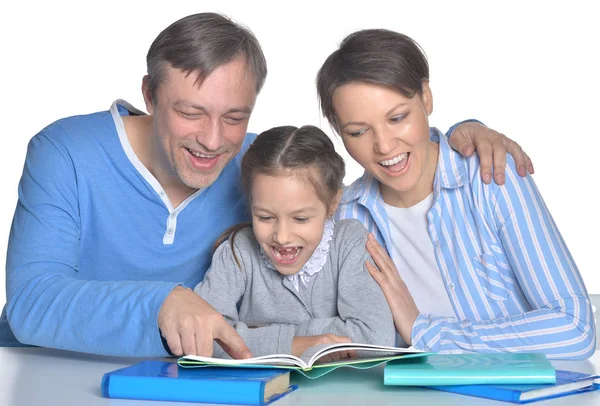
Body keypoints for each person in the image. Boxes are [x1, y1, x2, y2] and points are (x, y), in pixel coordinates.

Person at [1, 12, 532, 358]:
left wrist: (460, 134)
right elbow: (30, 302)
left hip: (208, 376)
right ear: (148, 93)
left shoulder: (255, 163)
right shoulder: (64, 151)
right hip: (49, 376)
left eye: (235, 116)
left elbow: (355, 149)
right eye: (190, 112)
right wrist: (163, 303)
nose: (213, 141)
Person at [316, 29, 596, 359]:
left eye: (398, 118)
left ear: (426, 98)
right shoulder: (343, 218)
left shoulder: (491, 177)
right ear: (338, 131)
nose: (384, 145)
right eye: (359, 131)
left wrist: (423, 331)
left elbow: (575, 329)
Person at [194, 125, 395, 359]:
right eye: (265, 217)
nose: (282, 237)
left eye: (300, 218)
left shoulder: (349, 243)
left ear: (332, 204)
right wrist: (293, 344)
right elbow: (205, 338)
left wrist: (256, 335)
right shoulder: (237, 251)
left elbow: (375, 340)